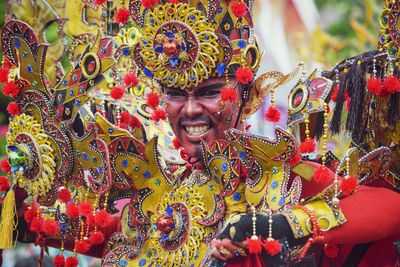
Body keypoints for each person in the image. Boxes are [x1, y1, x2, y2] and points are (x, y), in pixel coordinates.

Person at [0, 1, 399, 267]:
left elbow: (389, 208)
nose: (190, 110)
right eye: (175, 94)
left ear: (247, 94)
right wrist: (17, 211)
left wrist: (280, 224)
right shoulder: (157, 189)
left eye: (210, 92)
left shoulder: (277, 174)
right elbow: (96, 228)